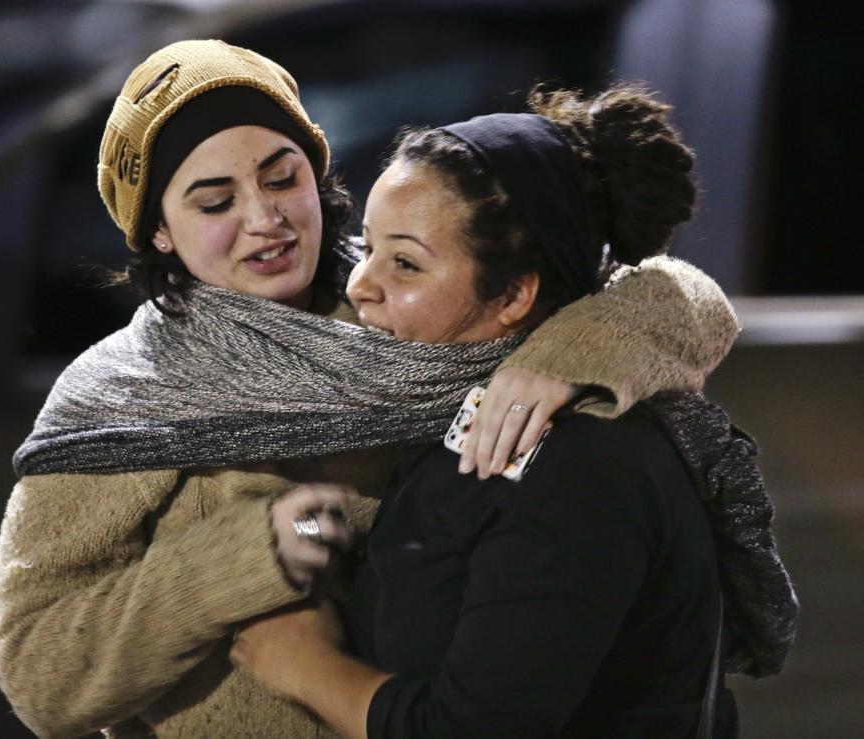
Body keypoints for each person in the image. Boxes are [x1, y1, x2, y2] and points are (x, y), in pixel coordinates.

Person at [0, 41, 745, 738]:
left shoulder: (408, 298)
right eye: (214, 202)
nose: (266, 219)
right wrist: (240, 560)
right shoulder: (125, 396)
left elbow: (666, 292)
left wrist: (573, 352)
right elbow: (39, 676)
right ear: (158, 230)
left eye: (282, 176)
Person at [230, 85, 798, 738]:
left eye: (407, 263)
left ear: (512, 295)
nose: (362, 284)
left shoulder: (577, 465)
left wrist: (303, 664)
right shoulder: (436, 404)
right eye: (368, 245)